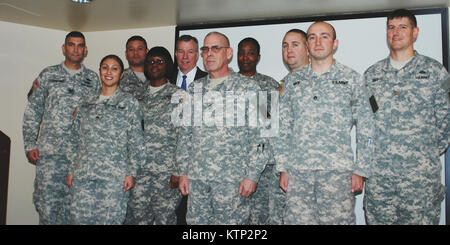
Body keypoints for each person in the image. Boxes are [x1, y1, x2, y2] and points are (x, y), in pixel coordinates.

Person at [273, 22, 373, 225]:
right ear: (307, 45)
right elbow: (282, 128)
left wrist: (361, 170)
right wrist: (283, 167)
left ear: (335, 43)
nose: (318, 41)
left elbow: (367, 126)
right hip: (298, 173)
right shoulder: (292, 82)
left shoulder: (352, 79)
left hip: (337, 174)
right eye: (312, 37)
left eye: (324, 36)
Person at [362, 9, 449, 225]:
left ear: (415, 32)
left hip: (420, 181)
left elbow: (446, 121)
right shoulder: (372, 75)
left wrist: (420, 154)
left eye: (403, 27)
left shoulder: (436, 71)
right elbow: (366, 123)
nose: (396, 32)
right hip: (380, 182)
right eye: (391, 27)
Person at [176, 32, 266, 225]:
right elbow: (184, 134)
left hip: (232, 181)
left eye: (216, 48)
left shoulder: (252, 88)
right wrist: (182, 171)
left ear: (229, 53)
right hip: (198, 180)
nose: (209, 53)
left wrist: (252, 175)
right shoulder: (193, 89)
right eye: (205, 49)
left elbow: (263, 137)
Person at [22, 31, 100, 225]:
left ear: (85, 50)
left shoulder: (93, 80)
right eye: (71, 45)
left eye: (80, 45)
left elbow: (98, 118)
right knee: (47, 207)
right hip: (50, 154)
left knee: (76, 209)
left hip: (80, 157)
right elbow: (33, 110)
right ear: (64, 48)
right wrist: (30, 143)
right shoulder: (48, 75)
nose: (76, 49)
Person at [66, 55, 145, 225]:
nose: (109, 72)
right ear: (100, 71)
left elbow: (136, 141)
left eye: (114, 68)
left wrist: (131, 173)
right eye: (105, 67)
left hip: (113, 179)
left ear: (121, 74)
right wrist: (72, 169)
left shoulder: (129, 103)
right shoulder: (85, 102)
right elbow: (74, 138)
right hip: (83, 176)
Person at [124, 47, 183, 225]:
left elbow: (185, 136)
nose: (155, 65)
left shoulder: (179, 96)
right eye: (151, 61)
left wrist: (178, 170)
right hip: (139, 171)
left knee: (165, 218)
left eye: (160, 61)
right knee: (138, 217)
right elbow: (128, 133)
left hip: (166, 173)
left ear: (168, 66)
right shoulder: (135, 96)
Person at [237, 37, 284, 225]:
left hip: (262, 168)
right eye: (241, 53)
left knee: (259, 219)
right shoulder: (229, 84)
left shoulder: (267, 85)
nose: (245, 57)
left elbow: (269, 126)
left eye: (250, 53)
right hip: (232, 165)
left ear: (258, 57)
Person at [171, 34, 208, 224]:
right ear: (175, 53)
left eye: (190, 51)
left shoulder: (208, 82)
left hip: (197, 166)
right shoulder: (163, 79)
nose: (185, 57)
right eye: (180, 51)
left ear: (198, 55)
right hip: (166, 167)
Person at [279, 29, 309, 94]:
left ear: (308, 50)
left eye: (295, 45)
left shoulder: (319, 80)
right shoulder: (281, 86)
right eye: (285, 46)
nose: (289, 50)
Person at [120, 35, 150, 100]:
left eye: (140, 49)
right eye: (131, 49)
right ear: (126, 54)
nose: (136, 53)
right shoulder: (119, 78)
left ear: (147, 51)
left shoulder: (156, 77)